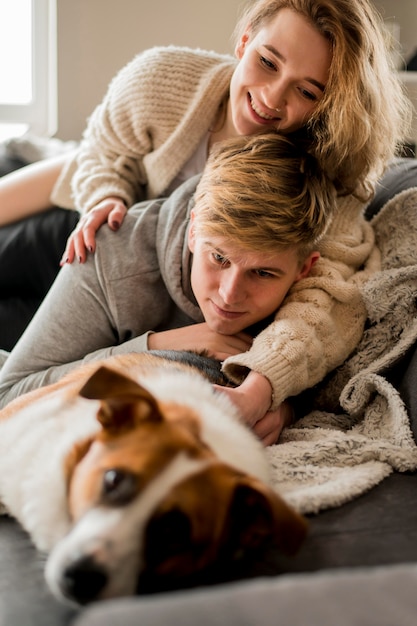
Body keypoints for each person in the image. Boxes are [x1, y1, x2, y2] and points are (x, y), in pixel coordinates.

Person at [0, 0, 408, 432]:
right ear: (245, 40)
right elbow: (104, 147)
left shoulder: (326, 177)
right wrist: (106, 196)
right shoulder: (162, 80)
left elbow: (322, 301)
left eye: (307, 91)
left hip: (151, 291)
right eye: (267, 62)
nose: (271, 98)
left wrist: (269, 392)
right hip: (100, 232)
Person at [0, 132, 341, 447]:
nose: (229, 295)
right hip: (72, 244)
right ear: (195, 231)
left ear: (303, 269)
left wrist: (282, 406)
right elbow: (11, 395)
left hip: (83, 323)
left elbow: (323, 374)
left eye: (263, 273)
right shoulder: (114, 253)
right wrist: (156, 345)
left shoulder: (314, 296)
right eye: (219, 258)